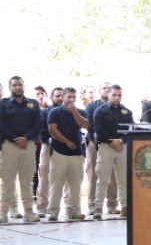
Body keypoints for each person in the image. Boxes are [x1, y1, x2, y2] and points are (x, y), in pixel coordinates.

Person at [1, 75, 44, 223]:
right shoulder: (3, 104)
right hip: (9, 146)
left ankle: (29, 212)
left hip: (28, 145)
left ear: (24, 86)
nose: (18, 87)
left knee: (27, 181)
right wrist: (15, 139)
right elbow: (2, 124)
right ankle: (3, 213)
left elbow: (38, 123)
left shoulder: (32, 104)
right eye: (14, 85)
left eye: (20, 84)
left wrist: (26, 138)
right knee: (7, 182)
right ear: (10, 87)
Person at [45, 88, 89, 222]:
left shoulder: (80, 111)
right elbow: (52, 129)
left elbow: (86, 125)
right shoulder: (55, 112)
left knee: (76, 184)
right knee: (56, 183)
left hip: (77, 153)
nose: (71, 99)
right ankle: (53, 211)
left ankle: (74, 210)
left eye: (74, 97)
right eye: (69, 96)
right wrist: (67, 142)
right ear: (62, 98)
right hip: (59, 152)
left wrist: (74, 111)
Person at [90, 85, 133, 219]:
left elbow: (130, 130)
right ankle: (98, 208)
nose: (116, 98)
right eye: (114, 95)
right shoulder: (100, 111)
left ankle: (125, 206)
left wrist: (120, 141)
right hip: (105, 146)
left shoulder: (127, 112)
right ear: (108, 95)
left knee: (123, 179)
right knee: (102, 178)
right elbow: (98, 130)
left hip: (122, 147)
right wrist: (111, 141)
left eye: (119, 95)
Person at [36, 87, 65, 213]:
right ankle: (42, 207)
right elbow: (42, 131)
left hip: (65, 149)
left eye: (62, 96)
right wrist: (51, 140)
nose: (60, 98)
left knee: (65, 178)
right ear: (51, 97)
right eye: (57, 96)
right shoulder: (45, 112)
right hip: (48, 147)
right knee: (44, 176)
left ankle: (68, 207)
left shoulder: (68, 112)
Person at [85, 82, 110, 208]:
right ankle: (92, 205)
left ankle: (112, 205)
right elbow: (89, 125)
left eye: (109, 88)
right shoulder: (91, 106)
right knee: (93, 174)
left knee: (112, 176)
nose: (107, 90)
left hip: (111, 145)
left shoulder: (118, 108)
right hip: (93, 144)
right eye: (104, 88)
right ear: (99, 91)